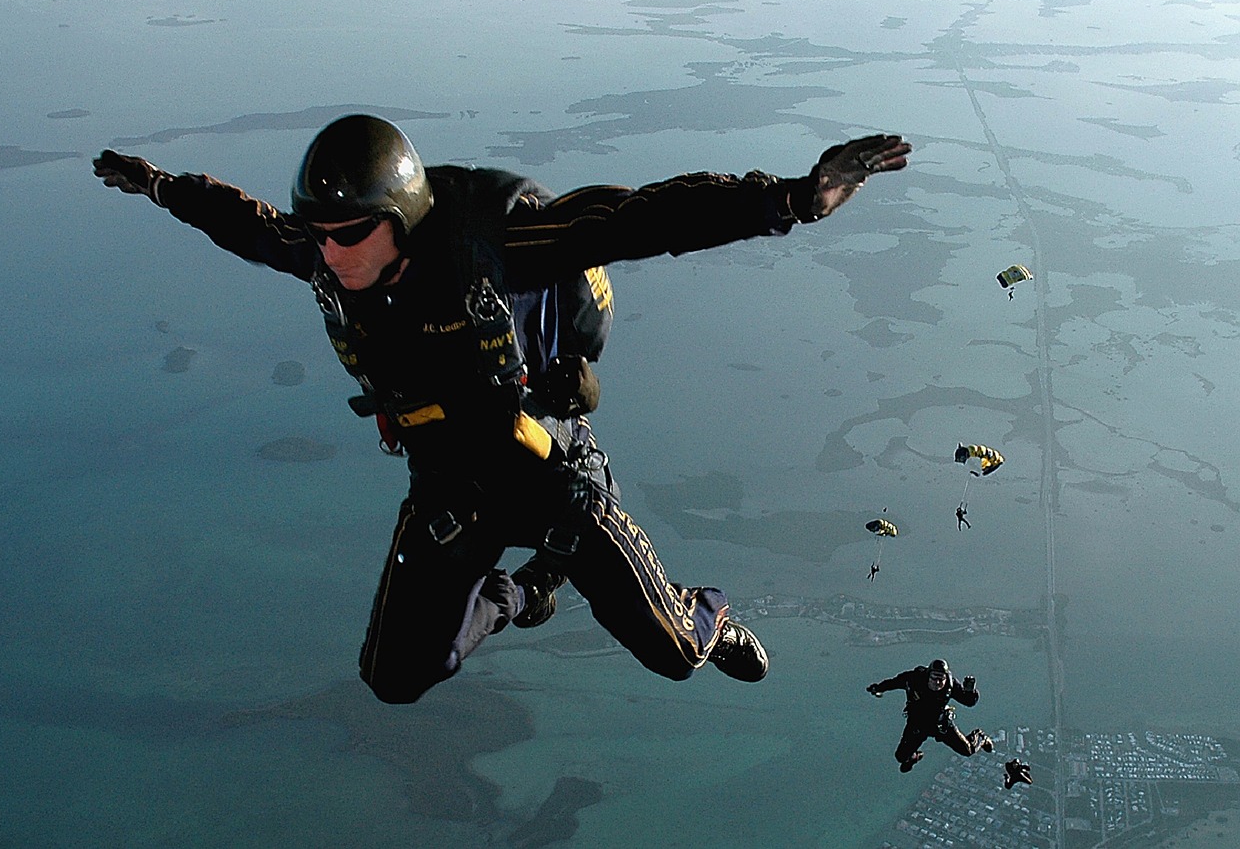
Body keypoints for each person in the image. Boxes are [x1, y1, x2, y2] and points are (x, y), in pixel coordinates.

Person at [93, 114, 911, 704]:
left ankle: (714, 618)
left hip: (552, 480)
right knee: (396, 679)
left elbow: (640, 219)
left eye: (351, 233)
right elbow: (250, 226)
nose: (331, 253)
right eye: (322, 232)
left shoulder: (494, 251)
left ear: (401, 223)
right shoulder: (323, 254)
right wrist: (164, 187)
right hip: (452, 491)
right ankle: (527, 594)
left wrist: (793, 200)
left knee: (672, 654)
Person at [867, 658, 993, 772]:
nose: (938, 682)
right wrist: (878, 688)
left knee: (968, 751)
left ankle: (980, 736)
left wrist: (970, 691)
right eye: (934, 678)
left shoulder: (950, 685)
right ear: (928, 676)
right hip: (917, 725)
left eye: (941, 679)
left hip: (941, 725)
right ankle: (914, 757)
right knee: (901, 757)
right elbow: (893, 682)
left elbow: (968, 702)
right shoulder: (914, 679)